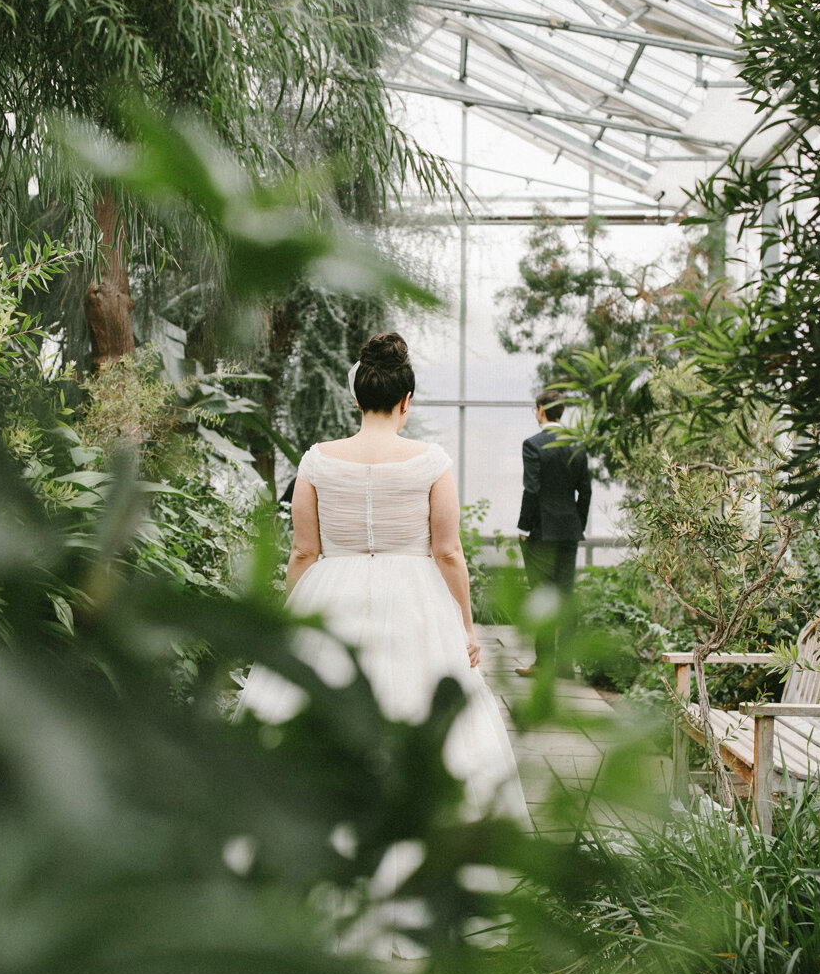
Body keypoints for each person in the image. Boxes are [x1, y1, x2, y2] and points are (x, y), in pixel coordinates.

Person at [238, 333, 529, 827]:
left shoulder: (315, 461)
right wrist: (466, 626)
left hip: (330, 597)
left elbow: (305, 551)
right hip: (418, 603)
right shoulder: (431, 463)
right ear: (406, 400)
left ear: (357, 398)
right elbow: (447, 551)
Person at [517, 395, 592, 597]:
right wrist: (578, 525)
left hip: (541, 530)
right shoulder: (577, 445)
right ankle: (568, 630)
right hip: (569, 531)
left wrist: (523, 527)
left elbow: (532, 489)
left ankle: (545, 631)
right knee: (565, 594)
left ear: (541, 409)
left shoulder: (533, 445)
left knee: (542, 595)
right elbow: (585, 492)